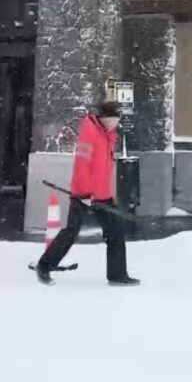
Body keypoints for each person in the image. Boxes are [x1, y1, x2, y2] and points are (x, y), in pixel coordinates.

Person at [35, 94, 140, 287]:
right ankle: (44, 266)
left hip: (103, 196)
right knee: (71, 232)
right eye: (113, 121)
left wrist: (103, 194)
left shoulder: (108, 136)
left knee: (115, 232)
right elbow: (82, 166)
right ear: (105, 119)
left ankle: (117, 275)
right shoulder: (90, 132)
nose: (115, 125)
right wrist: (84, 195)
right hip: (84, 194)